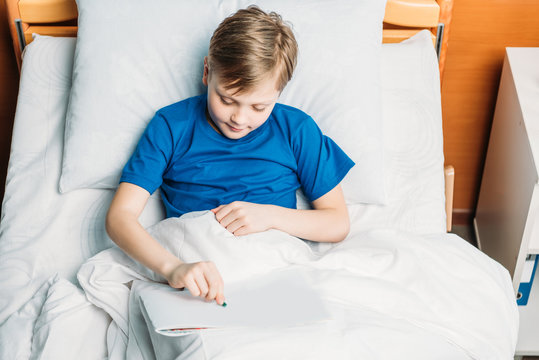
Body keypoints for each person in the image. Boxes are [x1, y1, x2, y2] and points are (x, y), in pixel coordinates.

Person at [106, 6, 354, 307]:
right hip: (196, 263)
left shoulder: (297, 129)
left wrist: (271, 217)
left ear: (280, 92)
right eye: (226, 99)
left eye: (259, 107)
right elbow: (120, 217)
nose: (239, 118)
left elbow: (337, 223)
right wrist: (173, 268)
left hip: (271, 264)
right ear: (207, 71)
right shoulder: (172, 125)